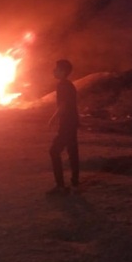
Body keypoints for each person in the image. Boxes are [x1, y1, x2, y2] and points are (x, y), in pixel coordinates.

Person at [46, 59, 80, 195]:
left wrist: (52, 119)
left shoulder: (62, 85)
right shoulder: (69, 85)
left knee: (54, 151)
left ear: (63, 72)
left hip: (67, 123)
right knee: (72, 152)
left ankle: (60, 186)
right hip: (72, 122)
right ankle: (75, 183)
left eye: (57, 69)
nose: (54, 71)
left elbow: (63, 105)